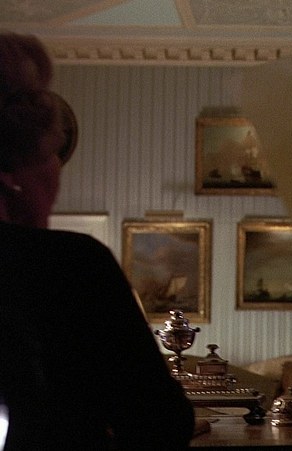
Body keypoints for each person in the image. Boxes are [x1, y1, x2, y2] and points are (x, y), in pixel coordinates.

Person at [0, 32, 195, 449]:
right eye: (51, 154)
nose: (57, 171)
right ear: (13, 173)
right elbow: (160, 422)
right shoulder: (69, 266)